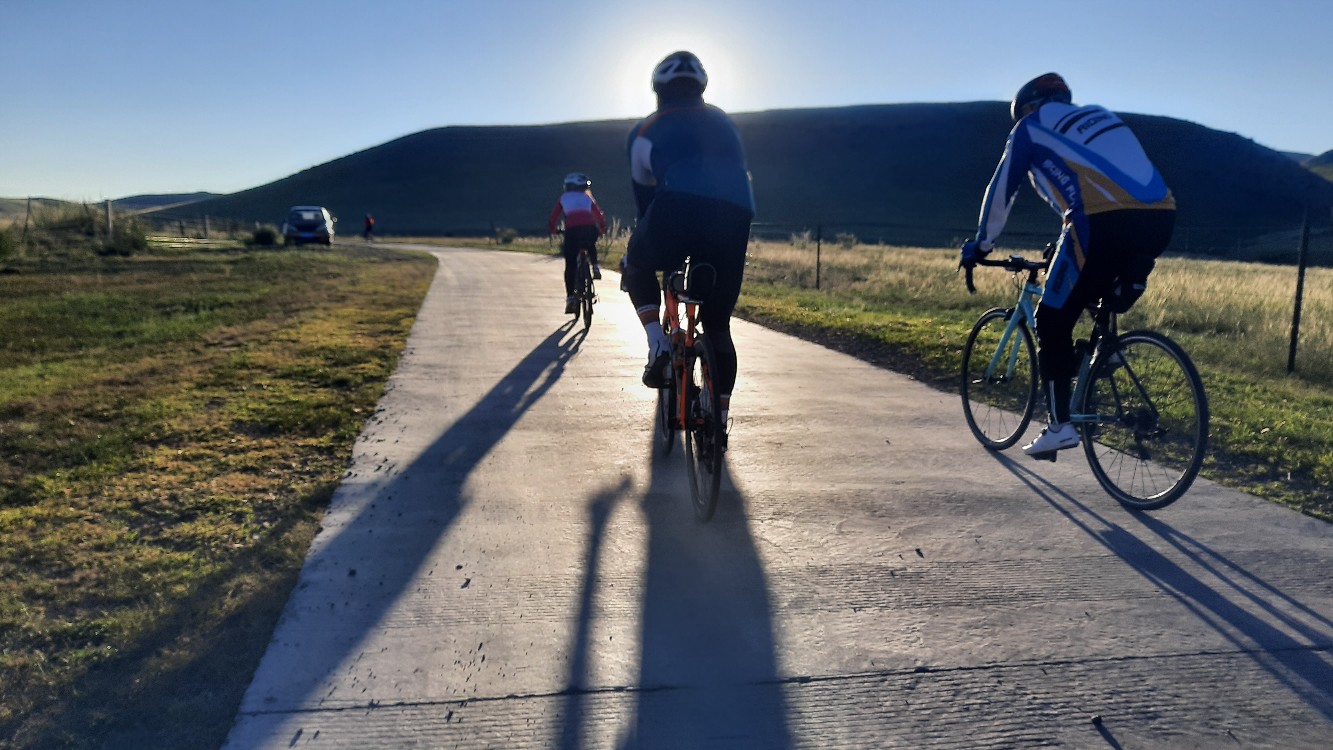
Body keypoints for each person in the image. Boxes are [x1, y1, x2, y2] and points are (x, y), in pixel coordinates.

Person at [958, 72, 1176, 458]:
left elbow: (1003, 188)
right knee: (1094, 288)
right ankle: (1106, 352)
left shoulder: (1029, 127)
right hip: (1161, 217)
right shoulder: (1099, 116)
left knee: (1051, 319)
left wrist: (981, 244)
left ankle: (1059, 426)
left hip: (1100, 222)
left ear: (1028, 107)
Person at [622, 50, 756, 436]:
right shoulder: (725, 123)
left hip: (675, 207)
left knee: (638, 262)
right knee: (717, 325)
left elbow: (644, 196)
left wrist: (647, 241)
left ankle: (658, 346)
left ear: (658, 90)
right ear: (702, 88)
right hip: (734, 212)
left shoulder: (646, 130)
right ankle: (718, 414)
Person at [548, 172, 607, 314]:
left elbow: (553, 218)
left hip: (572, 231)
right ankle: (595, 266)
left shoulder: (563, 198)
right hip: (589, 229)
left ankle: (570, 298)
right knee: (590, 243)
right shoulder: (588, 197)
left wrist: (554, 230)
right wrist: (602, 229)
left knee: (570, 265)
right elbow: (598, 214)